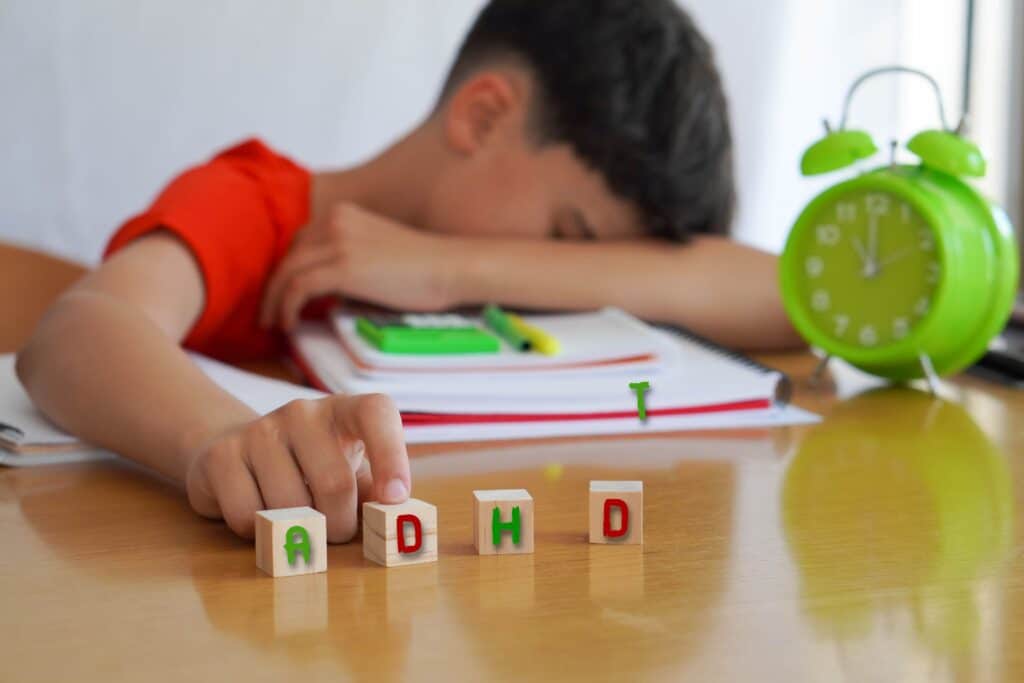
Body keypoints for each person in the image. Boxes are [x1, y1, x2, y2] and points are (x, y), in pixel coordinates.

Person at [16, 0, 798, 543]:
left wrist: (453, 267)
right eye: (569, 235)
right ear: (484, 116)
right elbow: (77, 331)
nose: (560, 270)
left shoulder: (479, 280)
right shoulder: (263, 207)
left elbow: (781, 294)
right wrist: (220, 438)